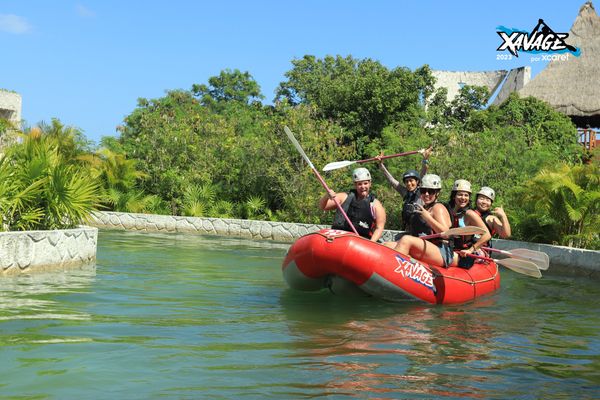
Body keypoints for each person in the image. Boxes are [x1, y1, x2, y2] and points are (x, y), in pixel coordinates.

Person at [390, 174, 455, 268]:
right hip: (426, 246)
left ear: (437, 193)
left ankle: (393, 269)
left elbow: (447, 234)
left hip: (441, 251)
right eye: (423, 191)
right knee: (387, 245)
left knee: (406, 240)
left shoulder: (438, 208)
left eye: (431, 191)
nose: (427, 194)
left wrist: (427, 218)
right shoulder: (424, 207)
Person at [318, 167, 386, 242]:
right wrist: (326, 196)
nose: (363, 187)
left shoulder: (375, 204)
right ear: (355, 185)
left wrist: (371, 242)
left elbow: (379, 227)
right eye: (359, 184)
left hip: (361, 241)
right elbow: (322, 206)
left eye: (365, 183)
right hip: (339, 238)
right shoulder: (343, 197)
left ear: (370, 183)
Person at [378, 147, 432, 230]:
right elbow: (391, 180)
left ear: (417, 181)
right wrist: (381, 165)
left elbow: (424, 172)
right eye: (406, 181)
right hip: (409, 228)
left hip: (421, 228)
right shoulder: (405, 192)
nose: (409, 184)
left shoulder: (421, 191)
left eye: (411, 181)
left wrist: (425, 159)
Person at [445, 179, 492, 267]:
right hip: (452, 249)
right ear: (454, 196)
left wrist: (470, 250)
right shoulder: (447, 211)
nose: (463, 198)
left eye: (466, 195)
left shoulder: (470, 214)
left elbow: (487, 235)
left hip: (466, 252)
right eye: (460, 194)